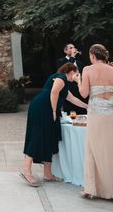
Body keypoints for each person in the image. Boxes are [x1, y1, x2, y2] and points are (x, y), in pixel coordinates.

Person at [20, 62, 87, 187]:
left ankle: (47, 173)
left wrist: (88, 107)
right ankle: (26, 170)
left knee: (50, 138)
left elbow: (73, 99)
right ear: (71, 72)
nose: (77, 76)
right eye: (77, 74)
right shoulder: (61, 77)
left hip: (49, 108)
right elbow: (54, 92)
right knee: (38, 136)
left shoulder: (65, 84)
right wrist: (54, 110)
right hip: (42, 108)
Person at [76, 44, 113, 199]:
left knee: (92, 149)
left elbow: (84, 93)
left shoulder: (87, 70)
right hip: (111, 113)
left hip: (96, 114)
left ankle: (90, 189)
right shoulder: (112, 69)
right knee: (110, 149)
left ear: (92, 55)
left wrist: (78, 81)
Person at [58, 43, 87, 115]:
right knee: (70, 114)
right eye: (71, 48)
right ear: (65, 50)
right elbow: (65, 70)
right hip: (69, 91)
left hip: (79, 90)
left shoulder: (79, 63)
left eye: (74, 48)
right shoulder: (61, 61)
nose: (73, 49)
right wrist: (72, 57)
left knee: (82, 113)